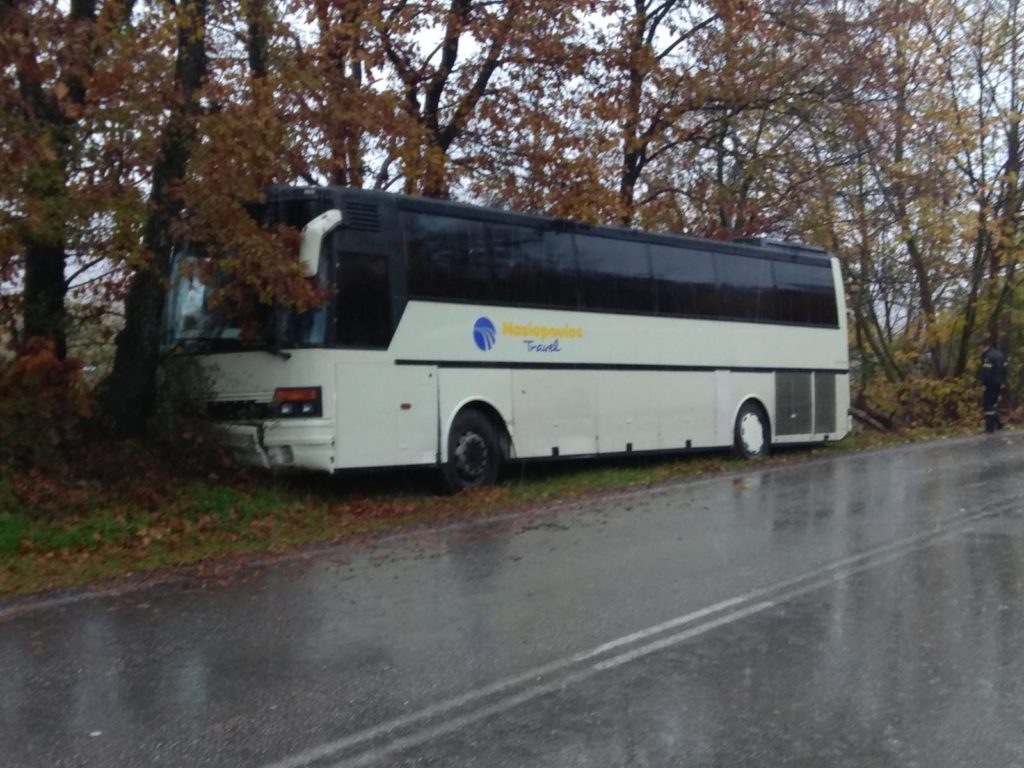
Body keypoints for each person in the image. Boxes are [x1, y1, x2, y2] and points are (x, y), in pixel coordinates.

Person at [979, 338, 1007, 433]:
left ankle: (990, 428)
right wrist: (1003, 381)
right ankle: (999, 423)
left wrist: (983, 383)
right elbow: (1005, 369)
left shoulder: (988, 357)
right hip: (999, 383)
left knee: (988, 405)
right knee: (993, 403)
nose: (980, 349)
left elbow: (986, 372)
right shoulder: (1000, 354)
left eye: (980, 347)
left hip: (990, 383)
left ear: (984, 346)